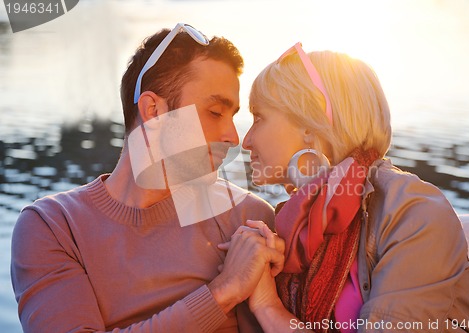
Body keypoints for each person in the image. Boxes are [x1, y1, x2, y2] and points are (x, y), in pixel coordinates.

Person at [10, 24, 283, 333]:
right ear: (153, 111)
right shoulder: (53, 227)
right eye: (215, 112)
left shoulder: (249, 219)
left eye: (232, 117)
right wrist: (222, 292)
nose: (232, 137)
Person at [227, 43, 469, 332]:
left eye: (258, 117)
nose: (245, 141)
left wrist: (267, 306)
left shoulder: (414, 212)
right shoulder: (293, 222)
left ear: (310, 125)